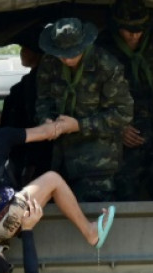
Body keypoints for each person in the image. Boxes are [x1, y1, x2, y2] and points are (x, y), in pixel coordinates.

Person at [0, 99, 114, 248]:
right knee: (53, 179)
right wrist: (58, 125)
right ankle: (91, 232)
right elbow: (43, 133)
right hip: (2, 222)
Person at [34, 17, 133, 202]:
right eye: (61, 54)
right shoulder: (50, 63)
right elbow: (43, 100)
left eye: (73, 53)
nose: (67, 59)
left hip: (97, 163)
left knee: (92, 219)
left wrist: (79, 125)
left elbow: (123, 114)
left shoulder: (107, 66)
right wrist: (45, 120)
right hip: (60, 160)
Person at [98, 0, 153, 201]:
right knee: (126, 196)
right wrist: (117, 128)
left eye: (140, 30)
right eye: (129, 30)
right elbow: (94, 97)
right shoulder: (103, 47)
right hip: (125, 136)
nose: (135, 36)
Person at [1, 30, 52, 187]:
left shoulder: (33, 85)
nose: (22, 52)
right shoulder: (26, 84)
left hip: (35, 157)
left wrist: (30, 163)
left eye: (25, 48)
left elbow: (32, 122)